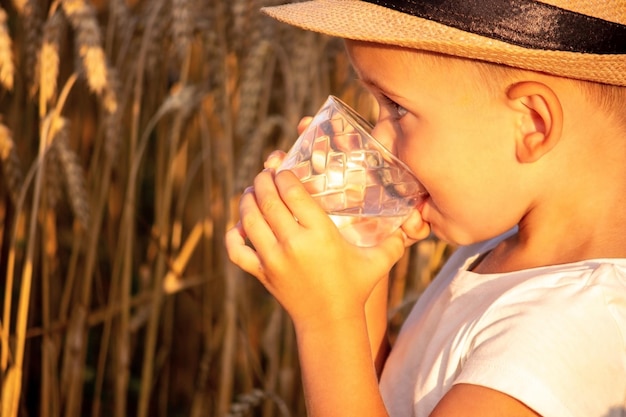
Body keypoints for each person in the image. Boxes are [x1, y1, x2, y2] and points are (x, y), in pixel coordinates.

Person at [225, 0, 626, 416]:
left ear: (531, 123)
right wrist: (356, 266)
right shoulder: (503, 253)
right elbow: (387, 400)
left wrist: (326, 321)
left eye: (397, 108)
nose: (378, 139)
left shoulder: (566, 337)